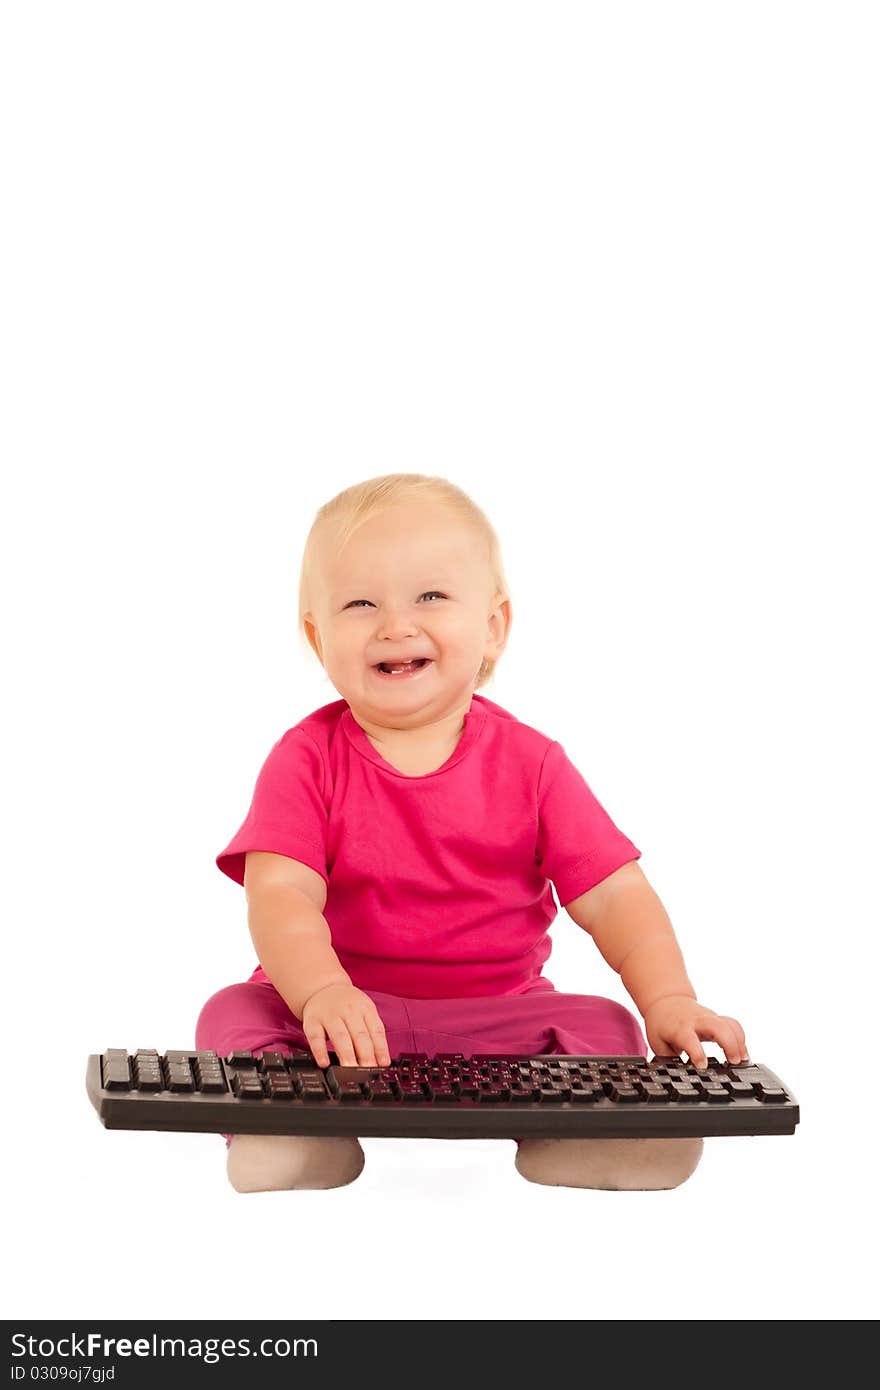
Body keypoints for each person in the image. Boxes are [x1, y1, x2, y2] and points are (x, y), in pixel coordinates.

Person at [196, 472, 747, 1194]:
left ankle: (578, 1136)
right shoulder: (305, 759)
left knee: (604, 1023)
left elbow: (615, 898)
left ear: (493, 627)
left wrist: (668, 999)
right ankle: (300, 1132)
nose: (396, 625)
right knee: (232, 1012)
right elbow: (280, 896)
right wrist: (321, 990)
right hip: (336, 1023)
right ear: (315, 636)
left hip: (499, 1022)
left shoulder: (535, 764)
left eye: (430, 596)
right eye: (360, 604)